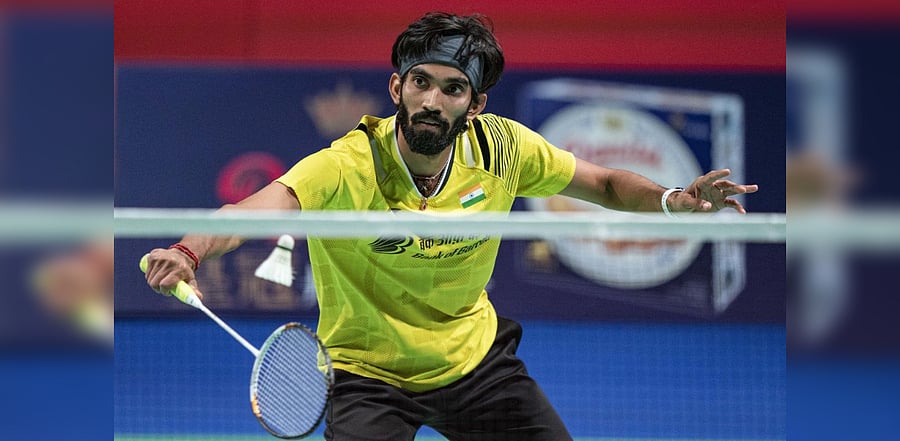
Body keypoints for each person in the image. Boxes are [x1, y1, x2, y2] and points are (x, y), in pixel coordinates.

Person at [143, 11, 759, 441]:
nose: (432, 101)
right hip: (367, 375)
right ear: (397, 87)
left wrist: (674, 199)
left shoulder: (503, 151)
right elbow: (251, 212)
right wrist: (190, 252)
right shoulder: (346, 165)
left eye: (453, 88)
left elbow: (601, 183)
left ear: (476, 103)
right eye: (420, 82)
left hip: (474, 365)